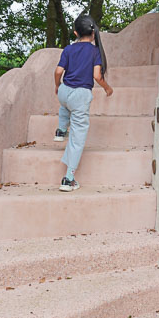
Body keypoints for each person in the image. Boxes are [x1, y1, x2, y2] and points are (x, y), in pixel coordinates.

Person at [53, 14, 113, 191]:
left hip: (65, 91)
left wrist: (57, 86)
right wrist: (107, 88)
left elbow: (58, 71)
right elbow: (96, 76)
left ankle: (61, 129)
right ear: (93, 33)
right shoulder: (95, 52)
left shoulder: (68, 49)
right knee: (77, 138)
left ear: (75, 32)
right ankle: (68, 179)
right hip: (80, 96)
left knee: (65, 105)